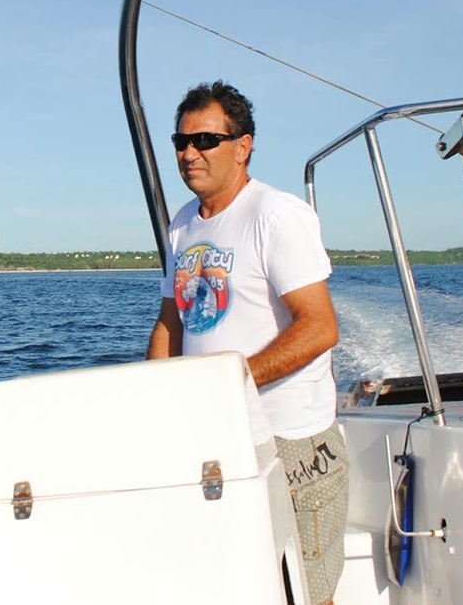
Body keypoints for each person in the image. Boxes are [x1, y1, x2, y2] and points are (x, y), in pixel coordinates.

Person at [147, 80, 348, 603]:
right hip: (215, 433)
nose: (189, 153)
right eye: (181, 142)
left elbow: (320, 326)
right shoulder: (182, 226)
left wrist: (231, 384)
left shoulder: (276, 216)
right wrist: (154, 401)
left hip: (292, 440)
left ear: (243, 146)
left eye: (205, 141)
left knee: (305, 592)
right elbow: (172, 321)